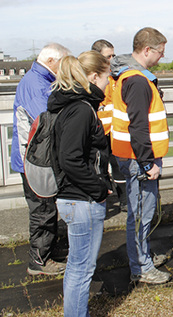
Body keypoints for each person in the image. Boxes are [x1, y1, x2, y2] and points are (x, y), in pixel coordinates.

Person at [48, 51, 113, 316]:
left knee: (78, 266)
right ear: (95, 76)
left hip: (76, 198)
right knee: (81, 268)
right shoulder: (81, 110)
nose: (109, 83)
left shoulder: (70, 106)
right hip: (82, 199)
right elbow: (70, 158)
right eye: (108, 76)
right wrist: (98, 189)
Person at [110, 27, 171, 284]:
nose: (161, 58)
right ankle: (141, 268)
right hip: (139, 160)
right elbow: (138, 126)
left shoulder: (130, 76)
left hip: (134, 157)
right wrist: (148, 164)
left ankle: (141, 257)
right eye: (160, 53)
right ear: (147, 50)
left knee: (141, 214)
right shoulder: (136, 80)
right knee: (140, 215)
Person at [11, 42, 70, 275]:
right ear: (51, 61)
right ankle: (38, 261)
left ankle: (48, 251)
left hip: (38, 159)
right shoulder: (36, 85)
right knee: (41, 210)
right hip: (34, 161)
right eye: (63, 63)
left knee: (46, 208)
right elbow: (47, 120)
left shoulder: (41, 80)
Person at [91, 39, 127, 211]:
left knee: (119, 167)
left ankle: (125, 201)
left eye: (114, 55)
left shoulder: (115, 77)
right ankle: (102, 203)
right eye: (108, 56)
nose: (112, 59)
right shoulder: (92, 79)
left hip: (115, 131)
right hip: (98, 133)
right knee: (100, 169)